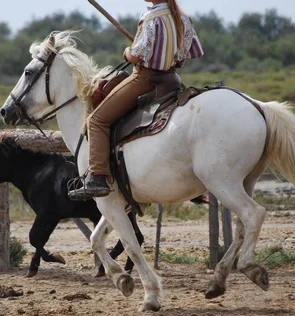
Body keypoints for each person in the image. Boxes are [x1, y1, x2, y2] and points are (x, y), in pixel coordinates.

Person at [68, 0, 203, 200]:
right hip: (171, 79)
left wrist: (127, 52)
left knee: (97, 120)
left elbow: (137, 56)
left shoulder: (151, 18)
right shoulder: (182, 17)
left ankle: (98, 178)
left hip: (145, 79)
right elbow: (186, 53)